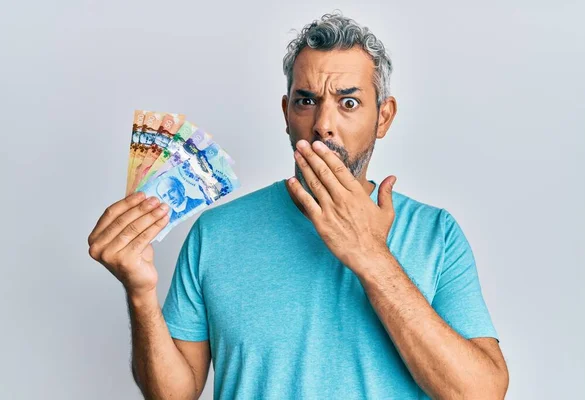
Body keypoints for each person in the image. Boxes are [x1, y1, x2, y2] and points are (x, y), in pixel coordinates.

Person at [88, 11, 509, 399]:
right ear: (287, 112)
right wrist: (140, 292)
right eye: (307, 100)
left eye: (349, 103)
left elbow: (480, 393)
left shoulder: (436, 233)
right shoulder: (216, 233)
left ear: (383, 117)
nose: (323, 124)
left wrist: (370, 255)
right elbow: (174, 394)